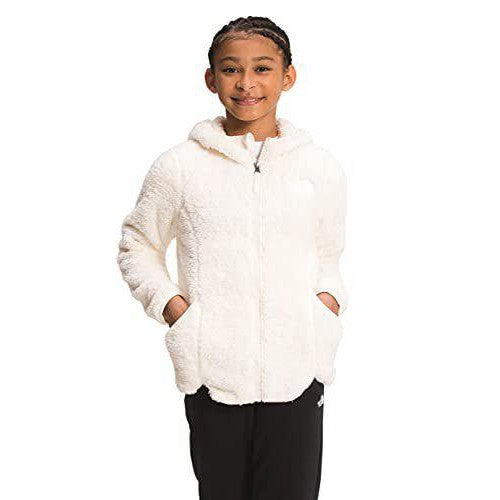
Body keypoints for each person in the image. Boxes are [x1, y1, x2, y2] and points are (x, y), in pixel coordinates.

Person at [117, 15, 348, 500]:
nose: (246, 83)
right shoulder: (180, 166)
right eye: (230, 69)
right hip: (213, 376)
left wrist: (325, 306)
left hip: (298, 371)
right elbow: (137, 244)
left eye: (262, 68)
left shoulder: (317, 167)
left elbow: (328, 253)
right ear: (211, 78)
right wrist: (174, 309)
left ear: (288, 76)